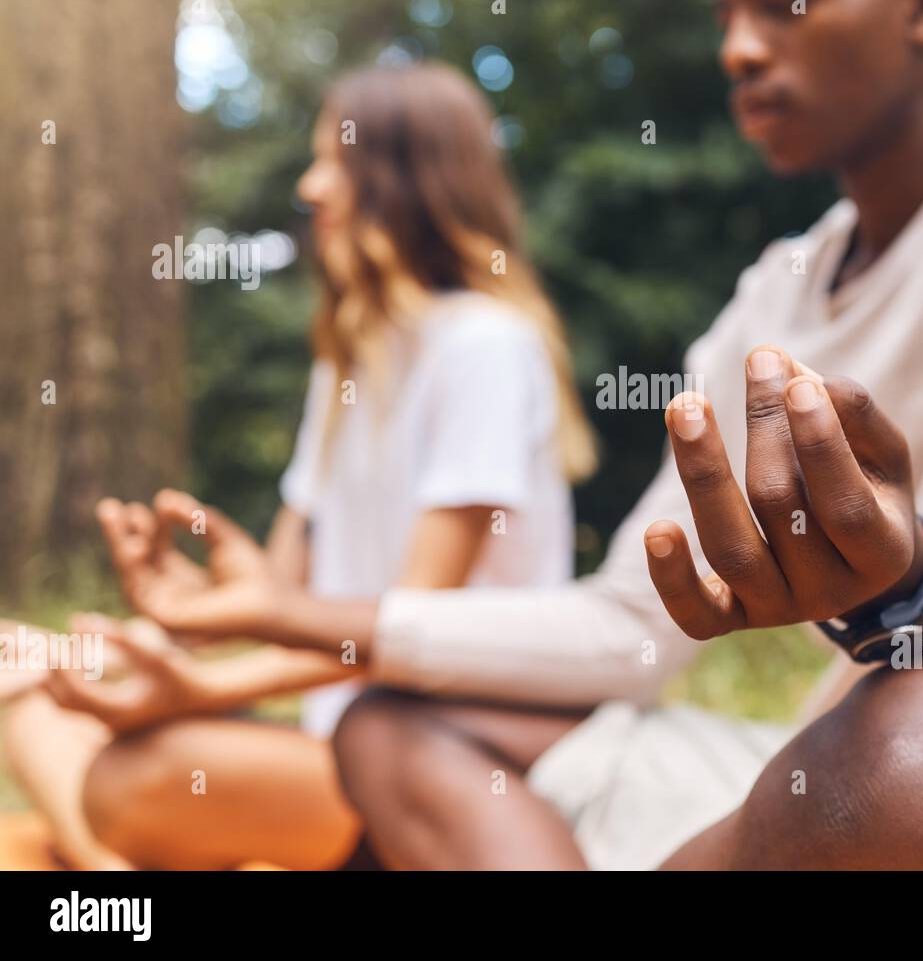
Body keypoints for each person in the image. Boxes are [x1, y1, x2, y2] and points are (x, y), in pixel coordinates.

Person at [86, 0, 923, 870]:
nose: (738, 49)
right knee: (396, 722)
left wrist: (919, 587)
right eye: (726, 13)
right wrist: (278, 612)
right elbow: (624, 632)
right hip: (830, 774)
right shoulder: (778, 295)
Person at [2, 62, 595, 870]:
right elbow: (272, 600)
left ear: (406, 183)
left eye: (337, 164)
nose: (313, 188)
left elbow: (413, 624)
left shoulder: (483, 346)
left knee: (136, 782)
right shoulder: (349, 361)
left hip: (436, 759)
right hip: (329, 735)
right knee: (26, 703)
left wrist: (202, 693)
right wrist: (102, 648)